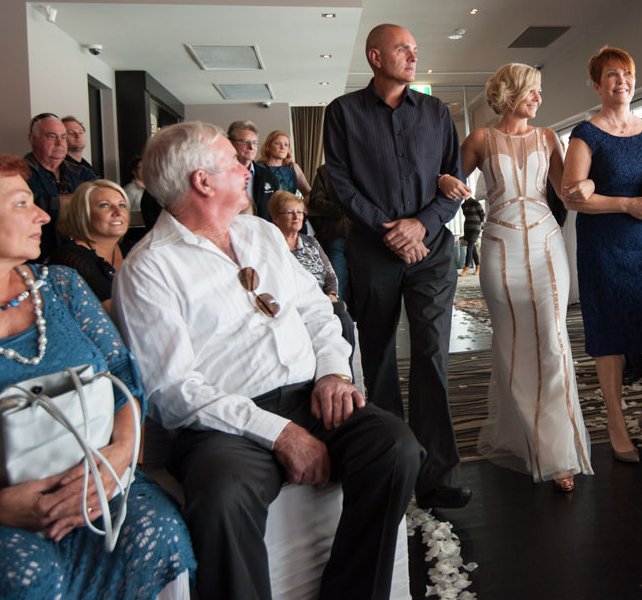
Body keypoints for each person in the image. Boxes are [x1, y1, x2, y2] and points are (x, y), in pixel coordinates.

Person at [112, 122, 422, 600]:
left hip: (312, 398)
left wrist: (334, 373)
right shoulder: (148, 267)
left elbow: (318, 310)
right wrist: (279, 433)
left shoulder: (261, 232)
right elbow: (171, 391)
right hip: (224, 425)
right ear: (203, 181)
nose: (245, 168)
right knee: (221, 499)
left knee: (395, 447)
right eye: (233, 161)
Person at [0, 148, 194, 598]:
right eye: (22, 203)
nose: (43, 215)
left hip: (95, 479)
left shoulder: (60, 285)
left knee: (156, 530)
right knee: (20, 571)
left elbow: (123, 377)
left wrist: (120, 455)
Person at [323, 23, 469, 509]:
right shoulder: (342, 113)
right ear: (375, 57)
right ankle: (389, 466)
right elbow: (341, 186)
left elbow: (455, 181)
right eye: (402, 49)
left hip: (432, 252)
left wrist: (421, 226)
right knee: (379, 356)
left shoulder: (436, 112)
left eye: (414, 49)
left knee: (432, 355)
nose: (412, 55)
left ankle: (437, 474)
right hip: (372, 250)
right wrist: (393, 230)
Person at [439, 63, 593, 492]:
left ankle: (559, 452)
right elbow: (447, 178)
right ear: (510, 92)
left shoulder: (548, 138)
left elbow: (567, 193)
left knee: (555, 340)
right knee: (512, 346)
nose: (539, 98)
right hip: (499, 250)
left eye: (540, 91)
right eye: (532, 90)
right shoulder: (479, 139)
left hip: (548, 246)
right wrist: (448, 180)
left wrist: (588, 186)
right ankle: (530, 439)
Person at [563, 47, 642, 463]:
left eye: (627, 74)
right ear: (597, 85)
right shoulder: (585, 134)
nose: (622, 82)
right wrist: (626, 205)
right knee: (609, 336)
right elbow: (573, 196)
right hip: (603, 245)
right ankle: (615, 420)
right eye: (612, 75)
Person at [269, 190, 357, 369]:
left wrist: (331, 294)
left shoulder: (311, 242)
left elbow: (330, 274)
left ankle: (344, 379)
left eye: (300, 212)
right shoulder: (271, 246)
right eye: (289, 212)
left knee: (343, 317)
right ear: (275, 218)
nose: (296, 217)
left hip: (322, 302)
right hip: (294, 305)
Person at [47, 179, 131, 309]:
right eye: (104, 205)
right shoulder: (70, 258)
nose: (118, 212)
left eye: (122, 205)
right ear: (83, 213)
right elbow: (112, 314)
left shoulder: (132, 249)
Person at [24, 113, 98, 259]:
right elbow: (33, 208)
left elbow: (100, 198)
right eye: (52, 136)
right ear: (32, 139)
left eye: (63, 137)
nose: (59, 143)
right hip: (39, 259)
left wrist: (57, 202)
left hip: (81, 256)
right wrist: (80, 200)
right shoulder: (19, 174)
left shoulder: (82, 173)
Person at [307, 164, 351, 303]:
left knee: (364, 282)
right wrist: (342, 208)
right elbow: (315, 201)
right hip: (335, 233)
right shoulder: (324, 171)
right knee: (335, 280)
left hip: (362, 235)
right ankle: (339, 317)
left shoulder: (362, 167)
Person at [227, 120, 277, 221]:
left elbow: (275, 212)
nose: (251, 147)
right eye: (245, 142)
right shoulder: (219, 174)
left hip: (261, 232)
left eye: (255, 143)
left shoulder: (268, 176)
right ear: (231, 143)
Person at [258, 130, 311, 196]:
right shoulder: (258, 168)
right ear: (268, 147)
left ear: (288, 149)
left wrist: (300, 205)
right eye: (277, 143)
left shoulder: (293, 167)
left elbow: (308, 193)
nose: (282, 147)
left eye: (286, 145)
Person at [459, 196, 485, 276]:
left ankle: (466, 268)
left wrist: (482, 226)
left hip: (476, 227)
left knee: (469, 246)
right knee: (472, 247)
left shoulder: (475, 203)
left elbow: (482, 214)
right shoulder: (463, 205)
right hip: (467, 227)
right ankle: (478, 267)